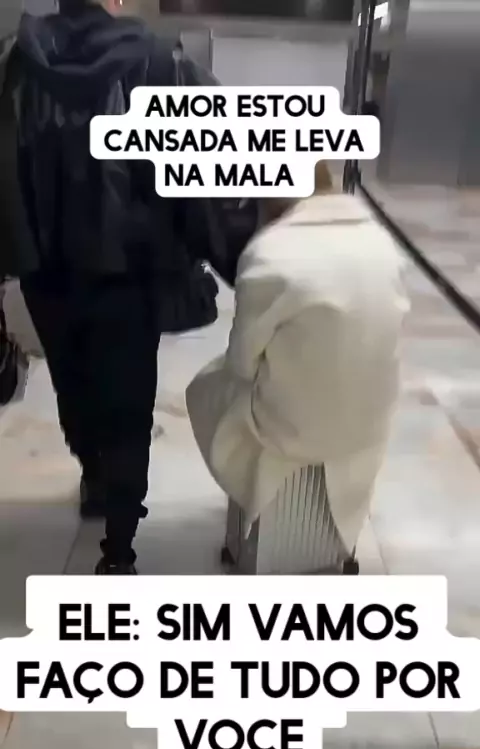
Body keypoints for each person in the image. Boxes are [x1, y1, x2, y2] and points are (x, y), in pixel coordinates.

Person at [0, 0, 252, 575]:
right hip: (129, 278)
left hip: (46, 272)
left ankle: (94, 476)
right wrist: (227, 250)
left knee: (73, 383)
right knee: (128, 403)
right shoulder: (159, 63)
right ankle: (118, 549)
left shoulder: (16, 64)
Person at [186, 162, 410, 566]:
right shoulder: (382, 243)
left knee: (208, 386)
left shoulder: (269, 254)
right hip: (370, 424)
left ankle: (251, 500)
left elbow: (241, 364)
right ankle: (333, 541)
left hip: (293, 429)